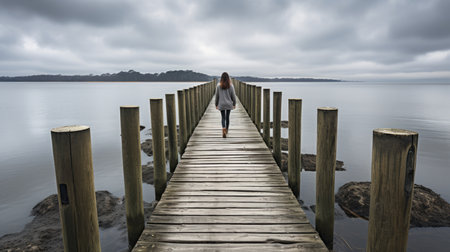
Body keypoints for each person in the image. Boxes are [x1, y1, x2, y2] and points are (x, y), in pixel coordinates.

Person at [215, 72, 236, 138]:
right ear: (228, 78)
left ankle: (223, 127)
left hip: (221, 104)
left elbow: (217, 96)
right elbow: (233, 96)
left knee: (223, 117)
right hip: (229, 104)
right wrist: (234, 103)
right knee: (227, 117)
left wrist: (216, 104)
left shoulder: (218, 86)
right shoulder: (231, 85)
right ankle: (226, 130)